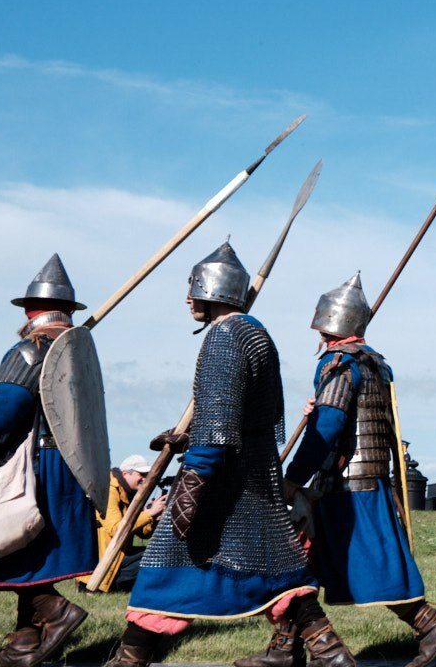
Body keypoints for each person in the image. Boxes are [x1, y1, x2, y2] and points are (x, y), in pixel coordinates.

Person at [109, 241, 355, 667]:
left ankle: (128, 660)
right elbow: (240, 418)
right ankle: (331, 654)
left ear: (212, 292)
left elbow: (221, 426)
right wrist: (190, 438)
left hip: (223, 478)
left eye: (195, 289)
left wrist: (194, 475)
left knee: (163, 572)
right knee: (277, 576)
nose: (189, 298)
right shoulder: (257, 333)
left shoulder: (225, 336)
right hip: (252, 471)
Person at [272, 272, 436, 667]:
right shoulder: (375, 363)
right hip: (363, 479)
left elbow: (328, 427)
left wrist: (292, 477)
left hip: (343, 484)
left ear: (326, 323)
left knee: (367, 563)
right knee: (304, 563)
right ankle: (284, 648)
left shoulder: (337, 363)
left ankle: (431, 623)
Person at [0, 255, 98, 667]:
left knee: (5, 545)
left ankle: (55, 612)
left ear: (29, 310)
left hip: (37, 466)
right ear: (69, 311)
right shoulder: (80, 353)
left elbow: (9, 401)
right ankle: (23, 645)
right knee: (34, 558)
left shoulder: (31, 350)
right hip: (72, 468)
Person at [83, 454, 166, 592]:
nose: (145, 479)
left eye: (147, 475)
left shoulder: (129, 492)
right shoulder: (109, 490)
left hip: (118, 556)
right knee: (156, 556)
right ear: (126, 473)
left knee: (159, 552)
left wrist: (154, 518)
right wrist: (148, 514)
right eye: (142, 474)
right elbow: (116, 530)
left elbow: (143, 534)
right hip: (104, 564)